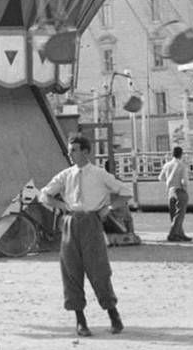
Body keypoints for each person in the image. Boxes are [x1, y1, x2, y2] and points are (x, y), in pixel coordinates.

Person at [38, 135, 132, 337]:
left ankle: (114, 315)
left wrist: (108, 208)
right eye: (70, 150)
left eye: (74, 150)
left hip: (91, 222)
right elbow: (44, 195)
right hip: (71, 222)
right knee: (71, 269)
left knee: (98, 269)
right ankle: (80, 321)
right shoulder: (66, 175)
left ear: (86, 152)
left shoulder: (99, 174)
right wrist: (62, 206)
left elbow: (125, 192)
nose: (70, 153)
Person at [158, 146, 193, 242]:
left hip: (170, 191)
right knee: (180, 215)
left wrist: (169, 180)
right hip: (179, 190)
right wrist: (185, 190)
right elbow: (184, 181)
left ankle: (180, 234)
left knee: (174, 214)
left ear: (172, 154)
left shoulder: (167, 165)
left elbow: (160, 178)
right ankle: (172, 234)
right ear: (181, 154)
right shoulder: (182, 165)